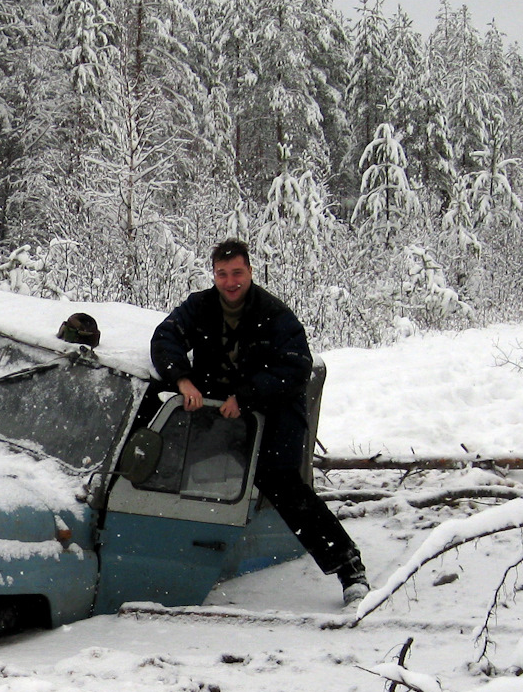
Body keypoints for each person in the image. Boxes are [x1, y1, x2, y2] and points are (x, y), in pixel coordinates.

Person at [150, 238, 370, 606]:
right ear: (214, 275)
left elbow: (296, 366)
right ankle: (168, 560)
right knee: (168, 459)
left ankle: (349, 568)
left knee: (280, 481)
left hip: (275, 409)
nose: (230, 281)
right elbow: (165, 336)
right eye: (222, 274)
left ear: (250, 272)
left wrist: (248, 396)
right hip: (222, 410)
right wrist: (182, 378)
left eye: (237, 273)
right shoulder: (200, 306)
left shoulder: (274, 314)